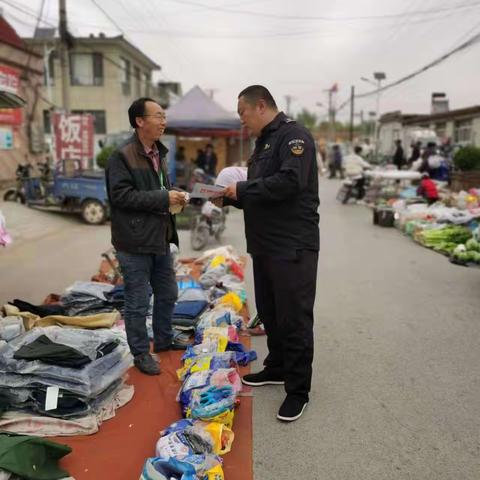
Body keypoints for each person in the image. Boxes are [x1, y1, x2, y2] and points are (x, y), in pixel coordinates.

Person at [220, 85, 319, 422]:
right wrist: (230, 196)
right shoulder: (262, 143)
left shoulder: (294, 137)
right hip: (264, 245)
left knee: (294, 319)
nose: (242, 121)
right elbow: (262, 192)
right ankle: (276, 367)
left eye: (242, 113)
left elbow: (290, 183)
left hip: (291, 244)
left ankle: (298, 390)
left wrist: (243, 188)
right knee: (270, 312)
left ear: (260, 106)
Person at [105, 97, 187, 376]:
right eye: (158, 116)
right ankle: (141, 353)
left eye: (164, 116)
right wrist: (164, 197)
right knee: (138, 301)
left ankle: (163, 339)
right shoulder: (122, 156)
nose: (163, 121)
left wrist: (174, 197)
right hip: (134, 242)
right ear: (140, 121)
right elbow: (121, 196)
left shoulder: (159, 153)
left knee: (167, 293)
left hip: (160, 238)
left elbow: (159, 190)